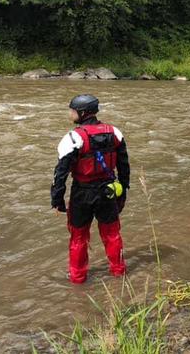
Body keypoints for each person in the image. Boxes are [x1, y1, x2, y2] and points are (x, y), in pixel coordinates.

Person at [51, 94, 130, 284]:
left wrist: (57, 200)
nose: (70, 113)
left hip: (82, 193)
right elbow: (124, 166)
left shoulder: (72, 138)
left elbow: (61, 173)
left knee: (78, 238)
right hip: (108, 192)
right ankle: (119, 273)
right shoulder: (115, 133)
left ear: (83, 113)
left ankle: (78, 279)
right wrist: (123, 193)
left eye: (72, 110)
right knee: (112, 234)